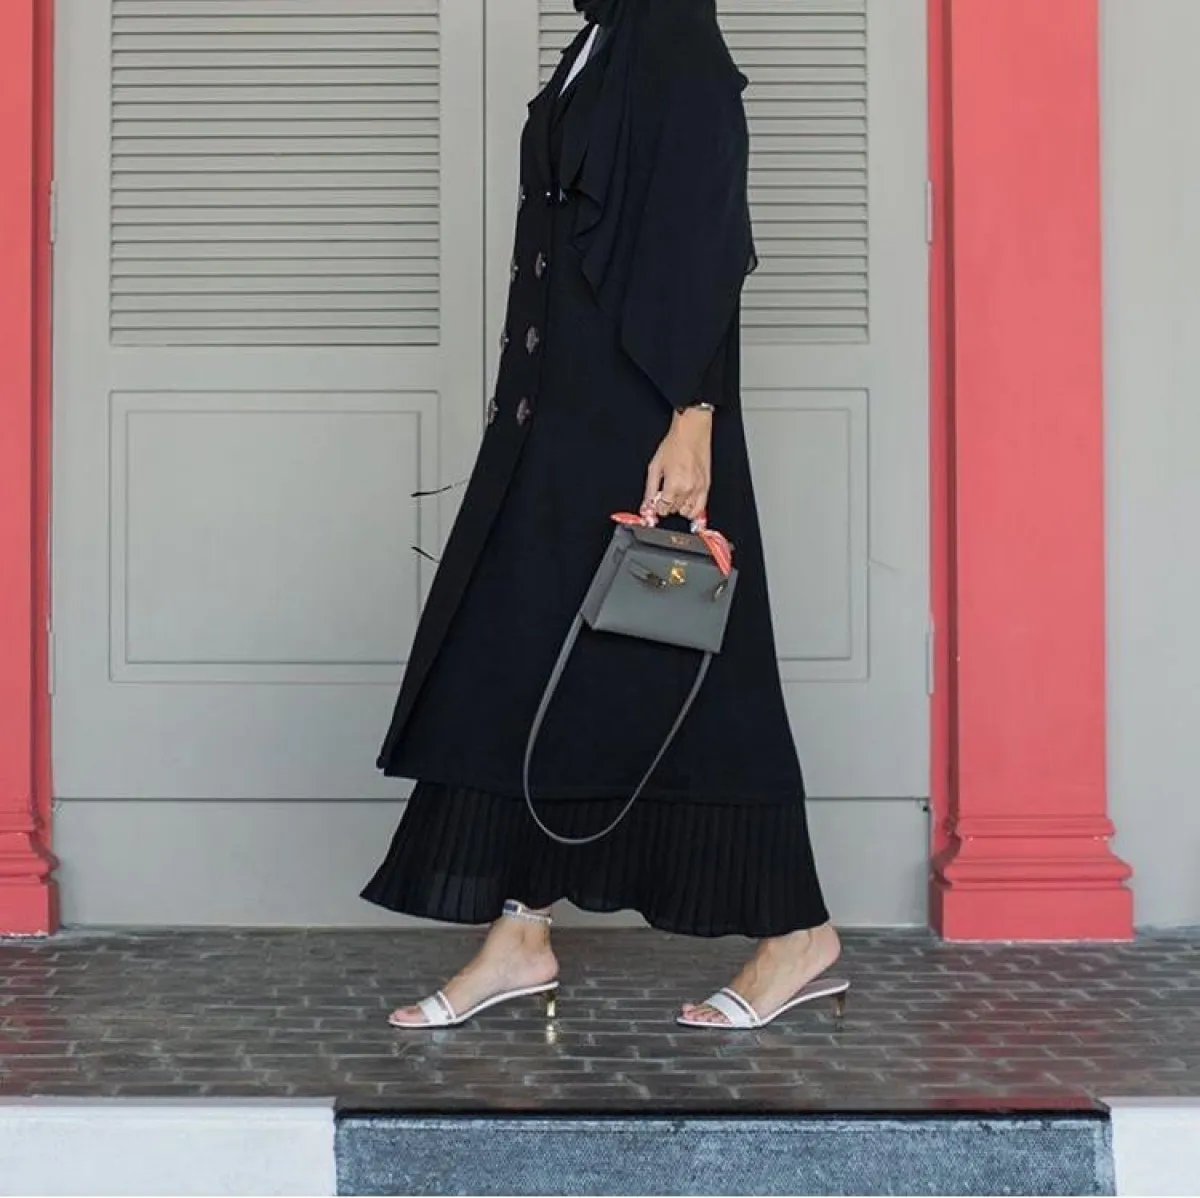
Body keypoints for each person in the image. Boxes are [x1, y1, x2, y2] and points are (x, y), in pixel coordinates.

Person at [363, 0, 847, 1031]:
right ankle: (521, 930)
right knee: (523, 658)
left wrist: (694, 415)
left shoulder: (674, 34)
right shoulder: (602, 37)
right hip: (555, 420)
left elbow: (707, 232)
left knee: (695, 673)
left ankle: (798, 933)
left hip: (639, 417)